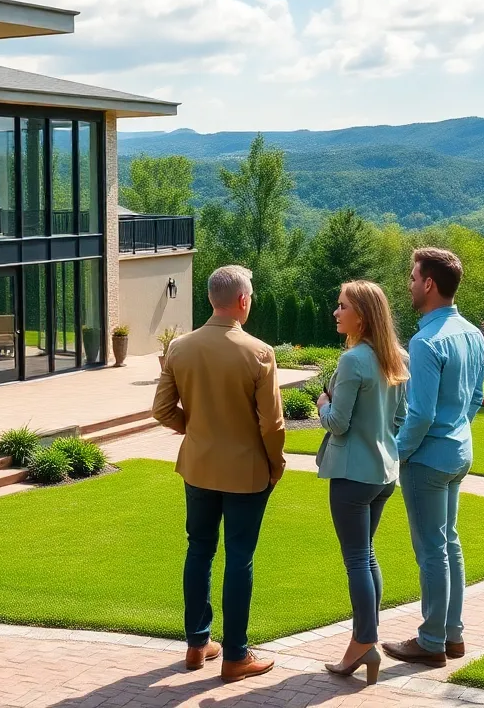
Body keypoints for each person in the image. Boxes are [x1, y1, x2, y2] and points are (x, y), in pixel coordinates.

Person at [152, 264, 286, 684]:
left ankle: (197, 645)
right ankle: (235, 655)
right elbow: (273, 425)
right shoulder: (259, 352)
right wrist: (276, 462)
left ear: (212, 299)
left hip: (198, 465)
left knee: (199, 550)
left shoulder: (180, 348)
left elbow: (160, 410)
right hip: (247, 471)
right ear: (243, 301)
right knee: (239, 557)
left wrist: (194, 430)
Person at [382, 248, 484, 668]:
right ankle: (452, 635)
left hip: (427, 460)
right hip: (459, 452)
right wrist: (458, 427)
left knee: (431, 551)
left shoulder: (426, 342)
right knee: (449, 545)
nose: (408, 284)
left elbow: (420, 413)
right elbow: (476, 397)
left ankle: (430, 641)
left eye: (412, 277)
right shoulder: (474, 334)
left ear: (429, 284)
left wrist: (396, 453)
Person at [315, 280, 409, 685]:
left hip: (353, 476)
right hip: (384, 474)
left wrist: (322, 404)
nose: (336, 313)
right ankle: (366, 640)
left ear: (363, 315)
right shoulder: (395, 358)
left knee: (357, 560)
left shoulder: (354, 361)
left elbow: (338, 424)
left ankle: (364, 642)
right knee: (367, 556)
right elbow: (400, 420)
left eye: (342, 306)